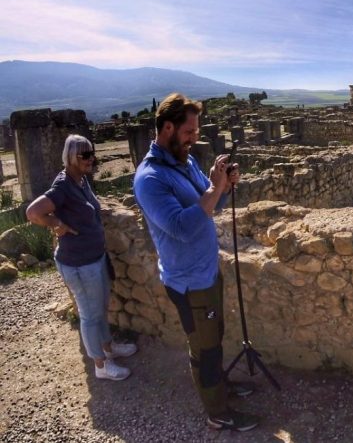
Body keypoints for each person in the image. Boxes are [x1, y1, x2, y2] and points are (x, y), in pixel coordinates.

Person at [133, 93, 258, 432]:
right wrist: (215, 189)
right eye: (189, 132)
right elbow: (180, 227)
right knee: (204, 347)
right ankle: (217, 412)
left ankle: (218, 386)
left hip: (206, 271)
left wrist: (223, 183)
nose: (194, 138)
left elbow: (212, 202)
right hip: (188, 280)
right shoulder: (150, 179)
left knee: (213, 337)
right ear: (168, 127)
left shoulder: (183, 161)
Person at [26, 135, 137, 381]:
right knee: (89, 315)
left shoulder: (81, 180)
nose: (91, 159)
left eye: (91, 153)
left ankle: (108, 348)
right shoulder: (63, 187)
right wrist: (55, 222)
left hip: (94, 258)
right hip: (77, 263)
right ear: (70, 157)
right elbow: (33, 212)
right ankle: (100, 365)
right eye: (84, 155)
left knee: (101, 308)